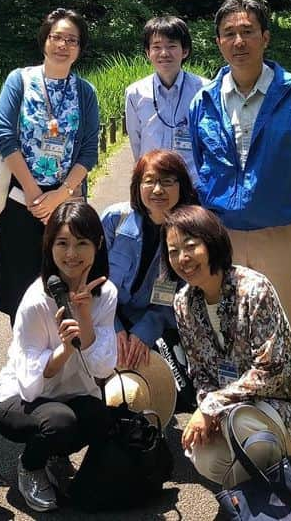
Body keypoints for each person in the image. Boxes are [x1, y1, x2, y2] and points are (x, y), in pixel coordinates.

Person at [189, 0, 291, 368]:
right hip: (224, 236)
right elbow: (201, 163)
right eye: (229, 33)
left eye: (248, 32)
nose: (239, 42)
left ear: (265, 38)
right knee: (229, 326)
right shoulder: (204, 101)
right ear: (218, 41)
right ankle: (239, 417)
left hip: (281, 234)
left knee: (287, 326)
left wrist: (289, 209)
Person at [163, 205, 291, 488]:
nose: (182, 258)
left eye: (190, 246)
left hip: (286, 409)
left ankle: (256, 495)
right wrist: (208, 407)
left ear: (212, 242)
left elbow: (270, 371)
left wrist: (213, 407)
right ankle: (258, 499)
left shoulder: (253, 289)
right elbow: (199, 372)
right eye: (173, 251)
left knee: (243, 425)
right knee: (202, 454)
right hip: (229, 412)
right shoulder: (183, 302)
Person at [0, 201, 116, 512]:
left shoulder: (107, 294)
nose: (71, 254)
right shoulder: (36, 300)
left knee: (101, 418)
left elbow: (102, 366)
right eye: (62, 243)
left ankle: (54, 454)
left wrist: (85, 317)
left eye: (82, 243)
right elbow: (31, 385)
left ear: (98, 245)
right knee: (60, 422)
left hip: (70, 392)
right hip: (19, 397)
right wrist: (64, 349)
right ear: (49, 246)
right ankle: (30, 465)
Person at [0, 8, 100, 322]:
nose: (63, 45)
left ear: (79, 48)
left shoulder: (85, 91)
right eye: (57, 37)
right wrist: (34, 192)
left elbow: (89, 152)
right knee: (22, 284)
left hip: (67, 201)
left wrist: (60, 195)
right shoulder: (20, 80)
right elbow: (4, 136)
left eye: (72, 40)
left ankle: (65, 359)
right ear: (44, 41)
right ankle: (26, 358)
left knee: (67, 277)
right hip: (22, 199)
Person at [100, 149, 198, 411]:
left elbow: (176, 298)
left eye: (167, 181)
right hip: (105, 316)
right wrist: (115, 327)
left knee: (163, 390)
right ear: (137, 185)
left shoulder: (188, 235)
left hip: (152, 323)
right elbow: (92, 280)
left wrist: (142, 334)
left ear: (182, 187)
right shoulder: (114, 220)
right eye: (149, 181)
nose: (158, 190)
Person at [124, 16, 205, 183]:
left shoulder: (204, 90)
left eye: (172, 46)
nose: (164, 53)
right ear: (148, 53)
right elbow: (136, 144)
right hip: (154, 186)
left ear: (185, 50)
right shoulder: (135, 93)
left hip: (193, 184)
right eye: (157, 47)